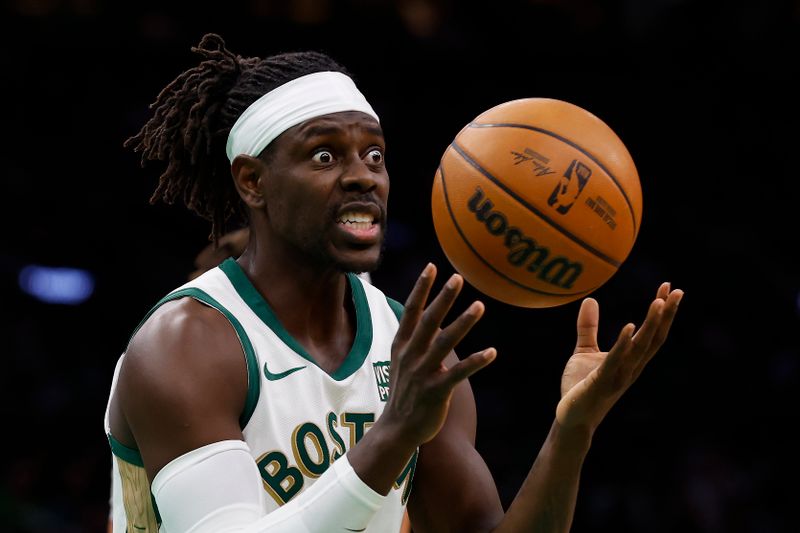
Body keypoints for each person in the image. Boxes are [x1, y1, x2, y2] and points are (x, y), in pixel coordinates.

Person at [104, 33, 683, 533]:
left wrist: (571, 430)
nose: (363, 175)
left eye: (375, 155)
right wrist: (397, 430)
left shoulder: (411, 346)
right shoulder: (186, 344)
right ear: (253, 182)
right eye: (326, 155)